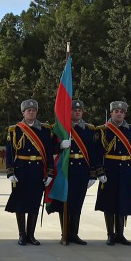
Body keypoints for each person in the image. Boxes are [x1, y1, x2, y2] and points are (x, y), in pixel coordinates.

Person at [47, 100, 104, 245]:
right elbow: (51, 149)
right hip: (65, 169)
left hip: (81, 170)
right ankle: (64, 233)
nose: (77, 112)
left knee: (77, 203)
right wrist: (60, 145)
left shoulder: (90, 130)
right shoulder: (61, 129)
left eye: (79, 110)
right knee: (63, 201)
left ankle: (74, 234)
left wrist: (93, 174)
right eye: (74, 110)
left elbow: (94, 154)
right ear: (69, 112)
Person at [5, 99, 56, 246]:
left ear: (36, 112)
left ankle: (31, 235)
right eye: (28, 110)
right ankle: (22, 234)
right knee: (20, 203)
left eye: (34, 110)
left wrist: (50, 173)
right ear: (23, 113)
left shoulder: (45, 130)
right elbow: (10, 152)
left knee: (34, 203)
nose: (31, 112)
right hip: (21, 170)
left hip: (38, 170)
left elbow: (49, 152)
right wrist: (10, 172)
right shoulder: (15, 130)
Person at [95, 101, 131, 246]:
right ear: (111, 113)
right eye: (116, 111)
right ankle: (110, 234)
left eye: (121, 112)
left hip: (126, 171)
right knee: (109, 202)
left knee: (123, 201)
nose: (119, 114)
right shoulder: (103, 130)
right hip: (110, 170)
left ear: (125, 114)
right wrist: (100, 171)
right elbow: (98, 153)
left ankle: (120, 234)